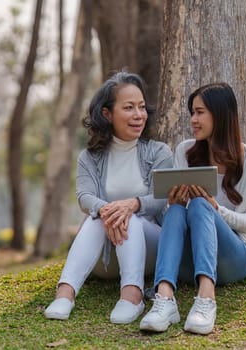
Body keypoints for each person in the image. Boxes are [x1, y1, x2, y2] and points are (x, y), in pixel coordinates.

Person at [139, 82, 246, 334]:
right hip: (191, 258)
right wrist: (172, 204)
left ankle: (206, 300)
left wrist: (215, 209)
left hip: (236, 257)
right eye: (192, 112)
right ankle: (165, 300)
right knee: (178, 209)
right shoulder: (185, 152)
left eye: (200, 112)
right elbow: (173, 223)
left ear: (220, 114)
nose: (193, 119)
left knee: (200, 203)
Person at [44, 71, 173, 324]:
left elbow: (161, 197)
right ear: (107, 114)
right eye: (128, 108)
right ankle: (65, 294)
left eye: (141, 107)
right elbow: (84, 197)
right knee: (96, 218)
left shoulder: (159, 152)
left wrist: (132, 205)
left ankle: (132, 297)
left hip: (150, 250)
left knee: (131, 217)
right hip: (103, 259)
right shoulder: (89, 157)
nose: (139, 115)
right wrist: (108, 210)